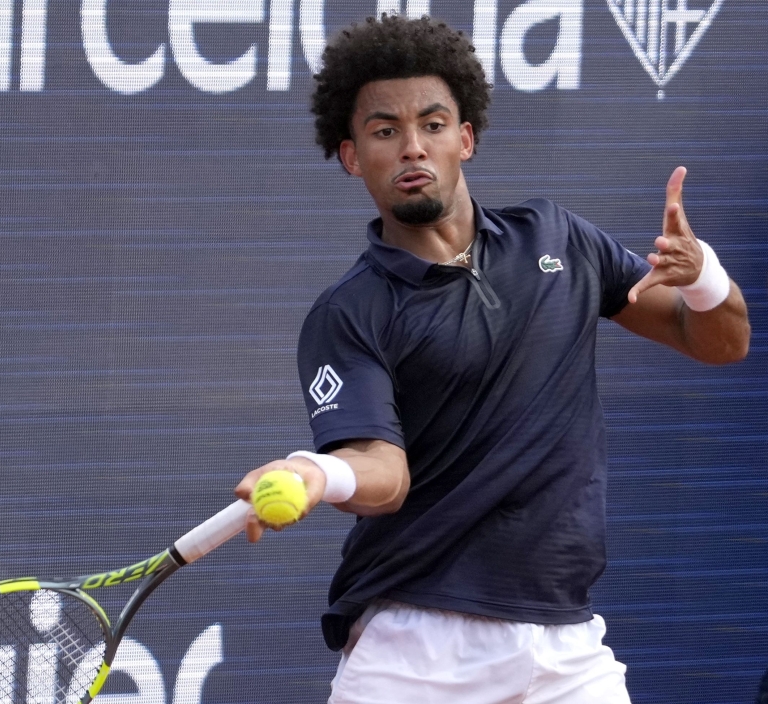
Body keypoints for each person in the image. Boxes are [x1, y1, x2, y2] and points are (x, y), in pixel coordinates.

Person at [234, 14, 750, 704]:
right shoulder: (350, 313)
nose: (413, 147)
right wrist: (316, 473)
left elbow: (718, 341)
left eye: (434, 124)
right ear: (352, 156)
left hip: (568, 647)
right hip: (417, 647)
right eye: (385, 131)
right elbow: (384, 475)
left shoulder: (559, 240)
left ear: (465, 139)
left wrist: (703, 274)